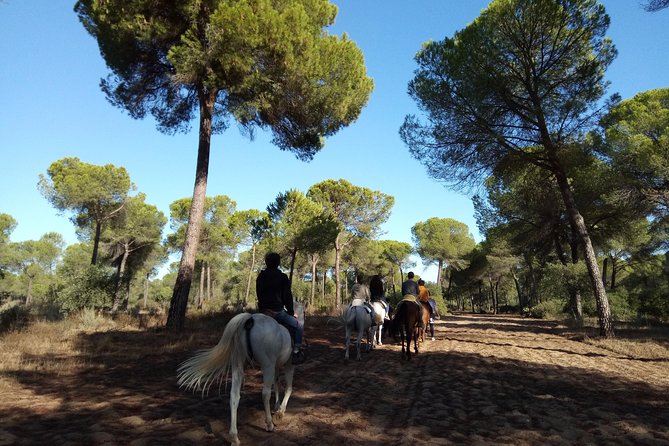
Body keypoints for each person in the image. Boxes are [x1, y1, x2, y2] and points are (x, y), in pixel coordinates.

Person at [256, 252, 305, 365]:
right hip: (277, 312)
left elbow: (259, 294)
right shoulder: (282, 277)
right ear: (278, 263)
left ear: (266, 262)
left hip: (263, 312)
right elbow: (287, 297)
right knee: (298, 326)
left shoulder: (260, 276)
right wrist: (291, 312)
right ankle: (296, 352)